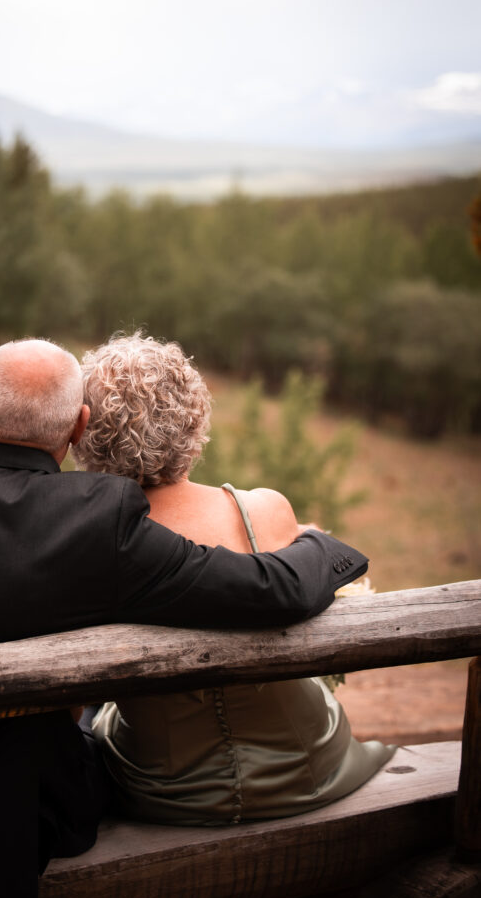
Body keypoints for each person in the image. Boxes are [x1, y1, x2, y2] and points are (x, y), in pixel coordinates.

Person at [0, 338, 370, 898]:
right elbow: (273, 590)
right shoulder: (89, 521)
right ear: (78, 427)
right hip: (8, 831)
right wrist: (321, 545)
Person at [71, 333, 395, 825]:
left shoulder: (84, 545)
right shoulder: (265, 510)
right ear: (194, 416)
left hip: (163, 787)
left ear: (83, 430)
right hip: (307, 767)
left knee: (100, 719)